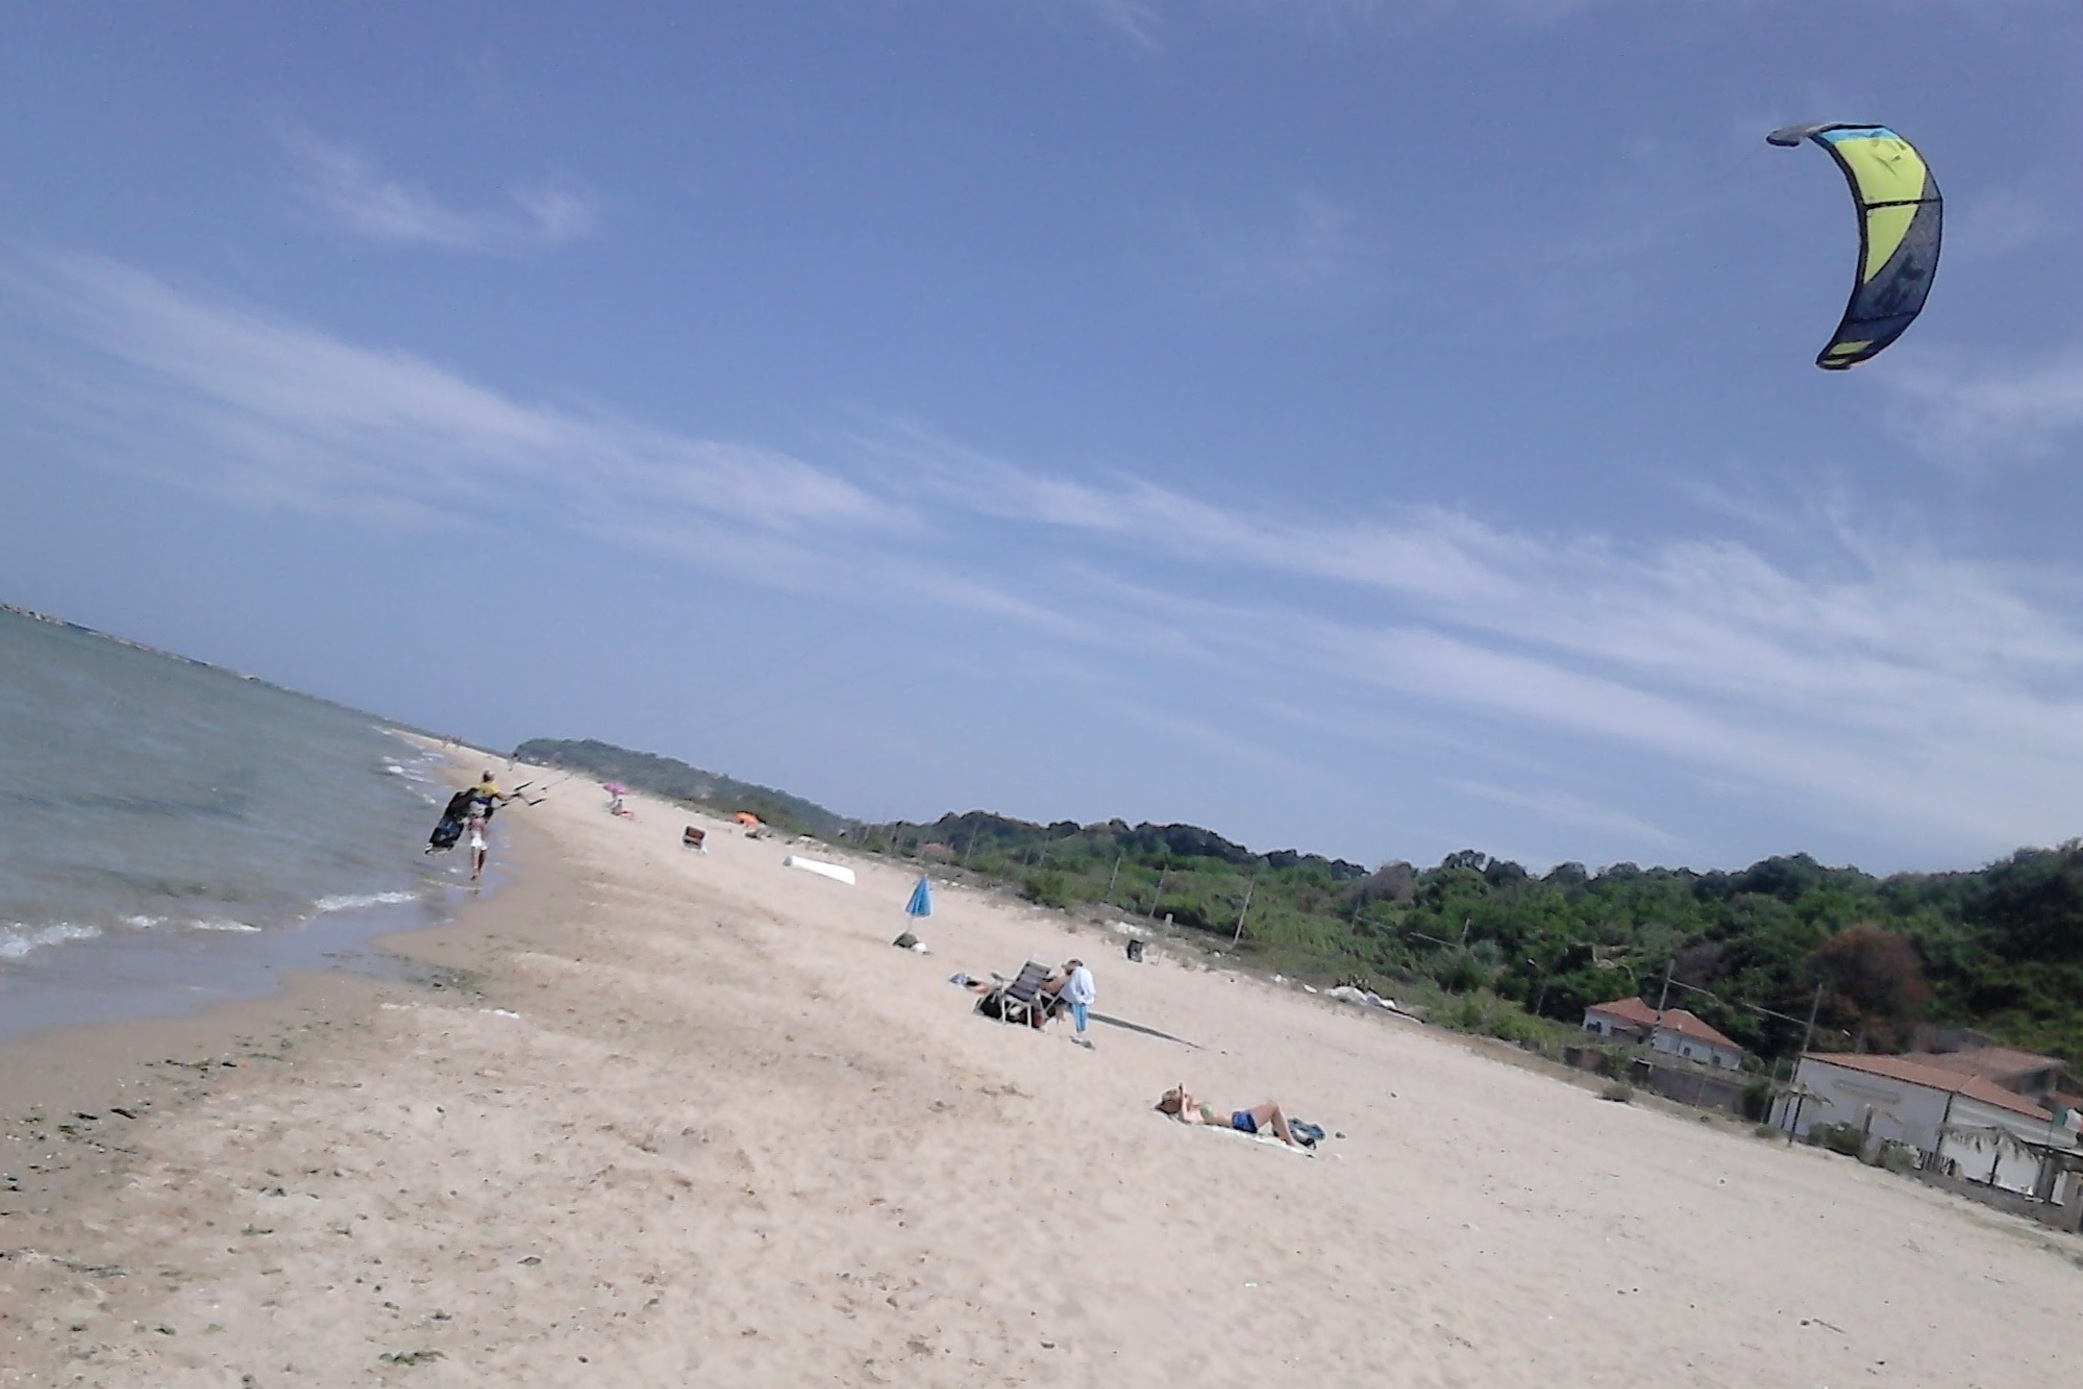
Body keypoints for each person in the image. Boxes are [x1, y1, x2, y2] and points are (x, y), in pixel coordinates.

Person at [1155, 1084, 1303, 1148]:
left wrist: (1184, 1098)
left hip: (1240, 1116)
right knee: (1274, 1106)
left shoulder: (1194, 1108)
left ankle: (1283, 1132)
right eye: (1185, 1097)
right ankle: (1290, 1141)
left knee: (1272, 1107)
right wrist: (1183, 1104)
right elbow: (1185, 1119)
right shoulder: (1192, 1114)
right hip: (1242, 1123)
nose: (1189, 1097)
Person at [464, 771, 508, 883]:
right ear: (492, 778)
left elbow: (464, 800)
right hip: (479, 819)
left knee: (482, 847)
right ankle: (475, 869)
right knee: (477, 842)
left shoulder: (475, 788)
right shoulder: (492, 788)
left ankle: (477, 871)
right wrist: (517, 794)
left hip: (473, 818)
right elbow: (504, 798)